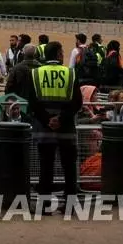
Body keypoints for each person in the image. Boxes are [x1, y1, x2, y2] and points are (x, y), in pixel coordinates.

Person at [28, 42, 82, 209]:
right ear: (58, 55)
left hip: (44, 130)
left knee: (46, 169)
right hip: (66, 130)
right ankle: (70, 205)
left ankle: (44, 205)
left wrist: (47, 119)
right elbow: (77, 103)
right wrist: (61, 118)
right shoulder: (70, 73)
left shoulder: (36, 73)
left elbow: (32, 103)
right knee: (69, 169)